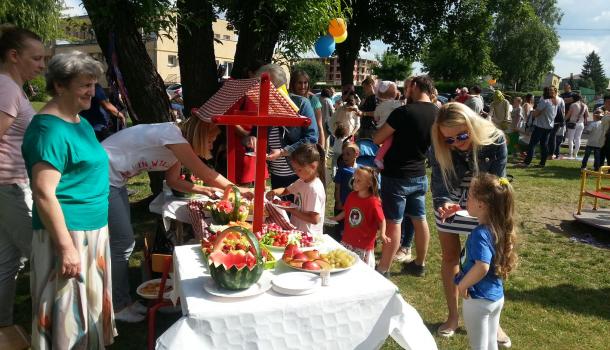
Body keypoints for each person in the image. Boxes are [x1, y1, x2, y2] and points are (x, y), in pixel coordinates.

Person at [102, 117, 251, 322]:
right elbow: (205, 173)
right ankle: (118, 306)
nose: (211, 145)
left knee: (121, 243)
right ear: (201, 134)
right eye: (211, 140)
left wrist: (204, 190)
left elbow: (173, 181)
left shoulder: (176, 144)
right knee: (122, 243)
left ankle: (121, 300)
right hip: (102, 175)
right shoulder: (172, 135)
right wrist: (236, 190)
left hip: (115, 180)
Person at [21, 51, 116, 348]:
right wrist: (66, 248)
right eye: (84, 85)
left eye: (93, 84)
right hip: (69, 233)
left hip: (93, 229)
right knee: (67, 315)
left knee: (87, 309)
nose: (92, 91)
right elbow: (44, 193)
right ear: (59, 86)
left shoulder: (79, 121)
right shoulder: (47, 130)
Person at [429, 102, 510, 347]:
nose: (456, 142)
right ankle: (453, 316)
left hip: (484, 203)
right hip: (452, 201)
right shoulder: (439, 144)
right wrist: (444, 203)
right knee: (450, 258)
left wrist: (476, 209)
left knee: (490, 260)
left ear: (472, 125)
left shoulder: (495, 140)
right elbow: (439, 183)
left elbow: (497, 185)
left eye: (462, 135)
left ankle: (492, 320)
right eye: (449, 140)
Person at [0, 25, 44, 328]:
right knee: (45, 256)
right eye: (36, 58)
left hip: (10, 184)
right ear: (14, 56)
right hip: (9, 185)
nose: (42, 65)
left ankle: (3, 326)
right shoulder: (6, 88)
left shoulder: (12, 88)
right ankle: (56, 327)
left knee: (7, 261)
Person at [373, 75, 439, 277]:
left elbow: (377, 138)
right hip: (419, 173)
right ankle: (419, 264)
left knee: (394, 222)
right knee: (420, 219)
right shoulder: (438, 113)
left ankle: (383, 268)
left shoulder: (403, 112)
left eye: (408, 87)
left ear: (416, 87)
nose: (406, 90)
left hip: (397, 175)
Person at [457, 174, 517, 350]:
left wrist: (462, 285)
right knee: (491, 344)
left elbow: (482, 266)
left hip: (478, 299)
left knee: (480, 347)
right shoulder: (498, 228)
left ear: (481, 205)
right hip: (496, 297)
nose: (464, 200)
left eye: (468, 197)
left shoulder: (480, 234)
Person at [245, 64, 318, 189]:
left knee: (298, 206)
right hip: (276, 173)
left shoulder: (302, 104)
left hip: (300, 173)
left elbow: (312, 138)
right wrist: (251, 138)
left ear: (277, 86)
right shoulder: (263, 106)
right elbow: (255, 132)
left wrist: (283, 152)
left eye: (264, 86)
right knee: (278, 206)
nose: (259, 91)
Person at [329, 166, 386, 268]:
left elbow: (382, 220)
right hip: (348, 240)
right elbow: (346, 211)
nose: (355, 182)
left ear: (369, 184)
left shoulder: (373, 201)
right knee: (344, 266)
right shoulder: (351, 196)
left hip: (363, 244)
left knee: (361, 270)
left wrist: (382, 234)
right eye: (354, 179)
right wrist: (336, 218)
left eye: (359, 180)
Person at [266, 143, 326, 235]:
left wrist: (291, 210)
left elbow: (314, 219)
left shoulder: (314, 189)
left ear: (313, 166)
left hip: (310, 236)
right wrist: (274, 192)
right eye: (294, 169)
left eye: (299, 170)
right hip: (298, 232)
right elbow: (286, 190)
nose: (296, 173)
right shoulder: (302, 181)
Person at [521, 87, 558, 168]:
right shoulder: (555, 103)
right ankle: (542, 163)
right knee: (544, 145)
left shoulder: (545, 102)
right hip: (549, 127)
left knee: (532, 144)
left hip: (540, 126)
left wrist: (533, 112)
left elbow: (535, 114)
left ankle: (527, 162)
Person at [290, 70, 325, 150]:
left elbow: (319, 126)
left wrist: (321, 148)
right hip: (290, 144)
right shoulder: (288, 99)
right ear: (293, 84)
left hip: (308, 144)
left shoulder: (313, 100)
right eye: (299, 82)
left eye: (305, 82)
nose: (303, 86)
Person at [333, 142, 360, 241]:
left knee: (352, 222)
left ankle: (350, 239)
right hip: (343, 204)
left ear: (356, 154)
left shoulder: (360, 169)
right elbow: (337, 187)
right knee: (340, 224)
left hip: (355, 205)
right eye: (343, 154)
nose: (344, 156)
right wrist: (338, 202)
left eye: (348, 154)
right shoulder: (342, 170)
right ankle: (339, 241)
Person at [373, 81, 403, 169]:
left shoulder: (379, 106)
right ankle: (378, 158)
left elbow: (376, 117)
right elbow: (402, 108)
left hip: (380, 127)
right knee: (389, 142)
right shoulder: (395, 103)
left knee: (386, 143)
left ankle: (380, 157)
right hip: (389, 128)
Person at [564, 93, 589, 159]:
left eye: (572, 98)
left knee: (570, 139)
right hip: (581, 124)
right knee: (578, 139)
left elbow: (569, 114)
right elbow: (587, 115)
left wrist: (564, 120)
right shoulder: (584, 105)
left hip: (572, 123)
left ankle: (570, 153)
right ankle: (576, 154)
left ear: (574, 98)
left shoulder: (573, 105)